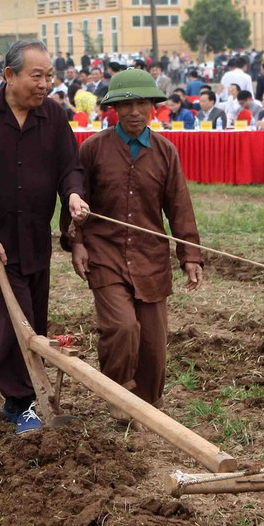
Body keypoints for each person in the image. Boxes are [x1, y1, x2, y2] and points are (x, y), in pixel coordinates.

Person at [0, 40, 88, 435]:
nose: (45, 83)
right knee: (17, 319)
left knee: (37, 318)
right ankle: (19, 402)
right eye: (37, 76)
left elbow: (70, 167)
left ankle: (30, 394)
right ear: (9, 75)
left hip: (36, 235)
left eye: (49, 75)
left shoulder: (53, 116)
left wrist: (74, 194)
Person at [64, 69, 201, 418]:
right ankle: (118, 395)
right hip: (104, 252)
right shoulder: (93, 149)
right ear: (114, 109)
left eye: (142, 103)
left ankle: (149, 405)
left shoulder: (166, 153)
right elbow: (74, 200)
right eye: (126, 104)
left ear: (153, 107)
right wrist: (77, 242)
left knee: (154, 344)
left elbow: (179, 206)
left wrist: (190, 256)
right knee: (121, 328)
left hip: (149, 257)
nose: (134, 111)